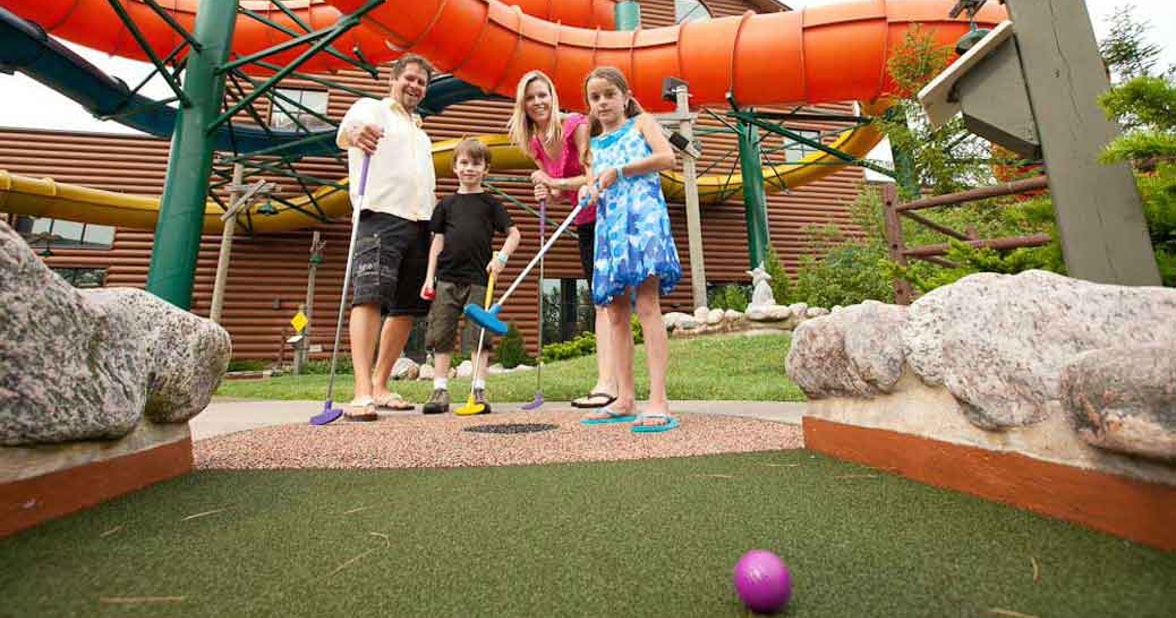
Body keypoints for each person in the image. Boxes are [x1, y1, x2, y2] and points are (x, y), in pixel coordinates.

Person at [507, 69, 625, 410]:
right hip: (584, 221)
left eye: (543, 94)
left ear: (552, 95)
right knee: (603, 299)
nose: (538, 102)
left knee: (605, 300)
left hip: (606, 214)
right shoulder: (535, 142)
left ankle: (608, 383)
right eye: (530, 98)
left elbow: (591, 175)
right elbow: (561, 193)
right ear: (523, 105)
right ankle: (610, 382)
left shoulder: (575, 124)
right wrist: (546, 188)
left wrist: (552, 182)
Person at [578, 67, 682, 432]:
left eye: (609, 94)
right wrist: (586, 189)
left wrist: (621, 171)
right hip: (611, 230)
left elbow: (667, 158)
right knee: (616, 313)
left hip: (644, 221)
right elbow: (592, 183)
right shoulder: (591, 145)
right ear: (589, 105)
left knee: (648, 305)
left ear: (625, 96)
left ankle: (658, 399)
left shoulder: (643, 124)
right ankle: (624, 398)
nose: (603, 102)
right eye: (595, 97)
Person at [335, 53, 437, 421]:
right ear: (394, 79)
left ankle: (380, 385)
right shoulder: (371, 109)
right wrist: (355, 134)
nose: (415, 86)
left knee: (408, 307)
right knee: (370, 297)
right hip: (379, 216)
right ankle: (362, 390)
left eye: (421, 82)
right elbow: (348, 131)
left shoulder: (421, 133)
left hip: (419, 222)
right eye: (409, 78)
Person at [420, 138, 521, 415]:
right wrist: (429, 278)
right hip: (447, 279)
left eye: (476, 163)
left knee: (479, 336)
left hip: (480, 279)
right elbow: (437, 244)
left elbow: (514, 235)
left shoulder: (490, 204)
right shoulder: (445, 205)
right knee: (442, 333)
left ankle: (478, 389)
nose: (469, 169)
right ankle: (439, 389)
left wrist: (501, 258)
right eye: (464, 163)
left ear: (485, 168)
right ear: (454, 167)